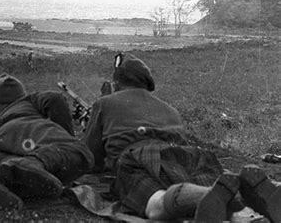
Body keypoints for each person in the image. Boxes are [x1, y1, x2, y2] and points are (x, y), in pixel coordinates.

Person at [84, 52, 281, 222]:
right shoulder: (170, 109)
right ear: (146, 84)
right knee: (221, 191)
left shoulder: (106, 102)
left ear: (117, 82)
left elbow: (90, 158)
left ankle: (204, 196)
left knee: (156, 206)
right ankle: (251, 195)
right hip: (192, 154)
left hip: (138, 156)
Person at [0, 73, 94, 210]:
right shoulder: (28, 101)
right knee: (81, 152)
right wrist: (66, 137)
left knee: (12, 172)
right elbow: (56, 98)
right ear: (21, 95)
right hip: (29, 128)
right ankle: (32, 162)